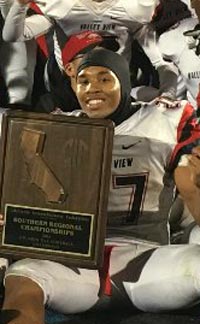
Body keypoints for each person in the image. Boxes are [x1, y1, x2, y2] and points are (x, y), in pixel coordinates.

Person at [0, 48, 200, 324]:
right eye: (84, 81)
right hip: (74, 263)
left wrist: (190, 187)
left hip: (146, 256)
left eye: (105, 79)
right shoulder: (59, 125)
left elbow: (191, 184)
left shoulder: (165, 119)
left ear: (124, 82)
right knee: (23, 277)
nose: (93, 88)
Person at [0, 0, 178, 100]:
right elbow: (14, 35)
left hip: (116, 89)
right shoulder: (61, 6)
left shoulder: (136, 8)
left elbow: (161, 63)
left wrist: (166, 98)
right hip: (66, 87)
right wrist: (19, 4)